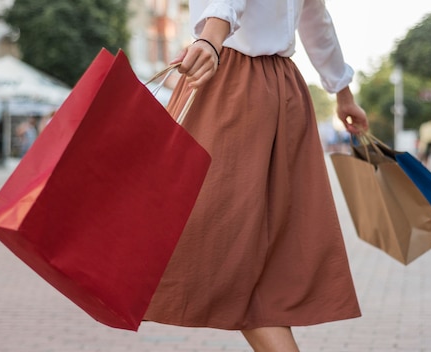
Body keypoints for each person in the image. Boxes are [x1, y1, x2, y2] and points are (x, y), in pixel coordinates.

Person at [143, 1, 369, 350]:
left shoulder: (219, 47)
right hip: (283, 88)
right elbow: (315, 19)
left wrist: (211, 36)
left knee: (170, 235)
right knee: (263, 264)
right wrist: (343, 93)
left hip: (227, 77)